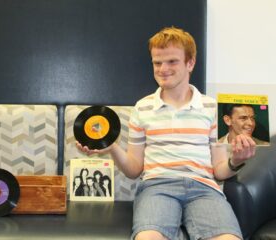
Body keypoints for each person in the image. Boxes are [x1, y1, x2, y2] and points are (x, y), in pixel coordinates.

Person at [77, 26, 256, 240]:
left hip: (204, 189)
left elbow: (219, 171)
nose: (163, 69)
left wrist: (235, 160)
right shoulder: (142, 107)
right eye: (157, 62)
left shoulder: (211, 108)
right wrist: (111, 147)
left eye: (172, 61)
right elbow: (134, 169)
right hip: (157, 187)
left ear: (190, 63)